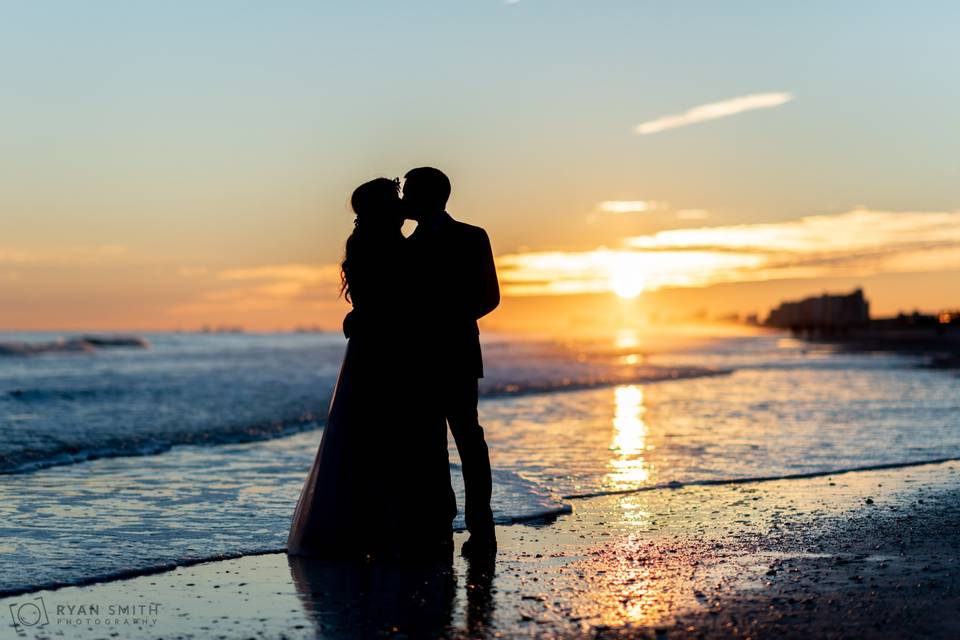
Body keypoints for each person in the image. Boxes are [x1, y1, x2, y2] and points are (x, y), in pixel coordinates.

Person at [287, 177, 456, 559]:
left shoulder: (365, 241)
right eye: (396, 199)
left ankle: (367, 524)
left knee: (368, 435)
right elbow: (398, 299)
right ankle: (390, 526)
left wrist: (360, 316)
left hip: (374, 344)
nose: (402, 205)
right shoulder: (393, 245)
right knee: (390, 434)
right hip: (390, 347)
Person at [402, 167, 501, 556]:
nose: (404, 201)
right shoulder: (405, 247)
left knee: (468, 440)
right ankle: (439, 524)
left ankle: (482, 526)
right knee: (429, 445)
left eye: (410, 193)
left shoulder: (472, 236)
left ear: (429, 197)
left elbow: (489, 297)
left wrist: (447, 318)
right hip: (416, 358)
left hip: (457, 351)